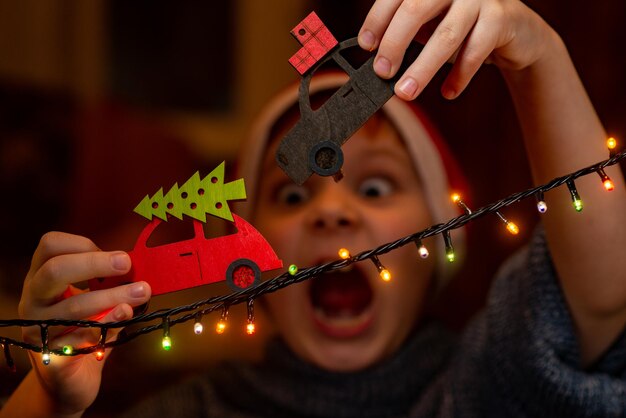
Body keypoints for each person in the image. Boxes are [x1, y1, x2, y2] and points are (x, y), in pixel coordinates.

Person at [2, 0, 626, 416]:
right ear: (253, 267)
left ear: (440, 237)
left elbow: (603, 299)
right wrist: (48, 402)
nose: (331, 211)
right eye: (293, 194)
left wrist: (539, 58)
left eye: (377, 188)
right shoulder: (192, 409)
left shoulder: (493, 381)